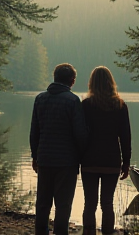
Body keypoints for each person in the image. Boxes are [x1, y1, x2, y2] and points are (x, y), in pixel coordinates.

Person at [29, 63, 88, 235]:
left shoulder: (40, 98)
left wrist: (35, 156)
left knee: (43, 203)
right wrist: (81, 155)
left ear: (55, 78)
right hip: (66, 163)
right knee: (63, 205)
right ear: (72, 81)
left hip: (45, 159)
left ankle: (41, 232)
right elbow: (80, 134)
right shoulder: (73, 101)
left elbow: (34, 132)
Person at [81, 66, 132, 235]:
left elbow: (80, 134)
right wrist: (126, 163)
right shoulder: (120, 105)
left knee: (90, 203)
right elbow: (125, 137)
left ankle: (88, 233)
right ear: (111, 82)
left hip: (89, 161)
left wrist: (77, 158)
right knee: (107, 203)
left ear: (92, 83)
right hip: (112, 161)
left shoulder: (86, 105)